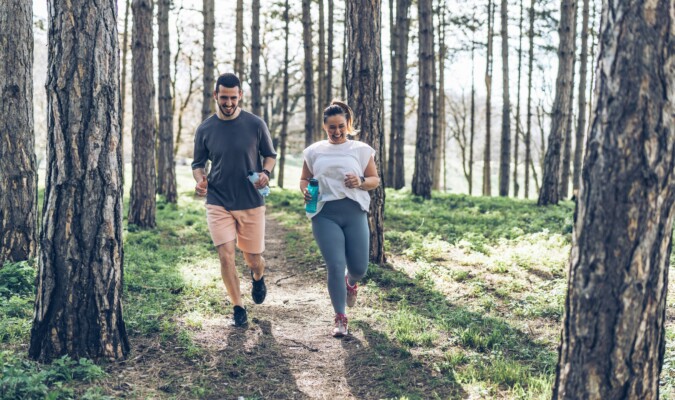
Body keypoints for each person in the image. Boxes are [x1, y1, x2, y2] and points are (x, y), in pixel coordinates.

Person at [192, 73, 277, 327]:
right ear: (215, 96)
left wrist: (265, 173)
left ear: (240, 96)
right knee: (226, 256)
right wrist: (200, 180)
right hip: (218, 200)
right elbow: (198, 163)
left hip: (251, 200)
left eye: (233, 98)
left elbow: (270, 155)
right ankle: (238, 307)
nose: (228, 103)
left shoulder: (255, 124)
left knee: (252, 258)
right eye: (224, 98)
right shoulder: (205, 129)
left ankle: (258, 276)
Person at [300, 100, 380, 337]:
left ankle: (351, 282)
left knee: (359, 268)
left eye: (340, 126)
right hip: (324, 214)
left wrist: (361, 182)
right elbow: (305, 179)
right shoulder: (314, 151)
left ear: (348, 124)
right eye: (331, 127)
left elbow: (374, 179)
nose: (336, 131)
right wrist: (304, 190)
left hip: (354, 212)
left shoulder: (361, 149)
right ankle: (340, 317)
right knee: (335, 265)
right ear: (325, 127)